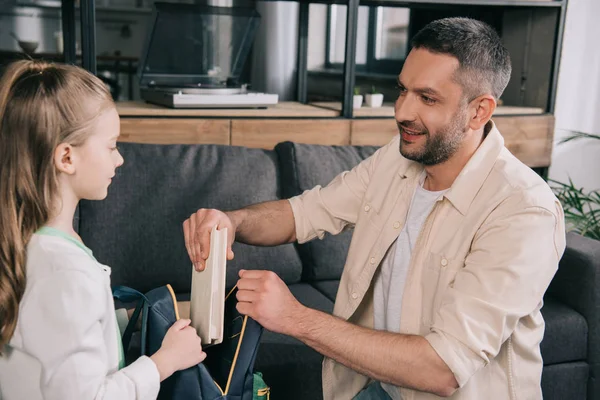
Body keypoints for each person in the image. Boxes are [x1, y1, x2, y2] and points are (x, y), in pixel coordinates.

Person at [183, 17, 566, 400]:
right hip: (380, 389)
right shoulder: (396, 162)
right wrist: (231, 221)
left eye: (427, 98)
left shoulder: (523, 211)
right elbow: (304, 213)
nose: (402, 111)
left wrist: (295, 317)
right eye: (403, 91)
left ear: (479, 111)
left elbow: (444, 368)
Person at [0, 60, 205, 400]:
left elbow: (54, 339)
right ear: (67, 158)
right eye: (111, 146)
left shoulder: (37, 242)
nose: (119, 159)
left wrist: (119, 319)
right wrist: (165, 362)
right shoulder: (66, 274)